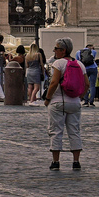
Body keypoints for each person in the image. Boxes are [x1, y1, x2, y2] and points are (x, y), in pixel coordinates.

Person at [38, 36, 85, 170]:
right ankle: (76, 162)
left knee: (56, 131)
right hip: (74, 102)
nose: (54, 51)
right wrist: (79, 96)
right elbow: (86, 84)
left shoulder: (58, 63)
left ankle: (55, 162)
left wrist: (47, 99)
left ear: (63, 51)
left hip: (58, 101)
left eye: (56, 49)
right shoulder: (79, 64)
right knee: (74, 131)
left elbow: (53, 83)